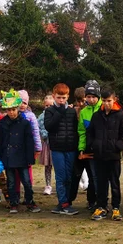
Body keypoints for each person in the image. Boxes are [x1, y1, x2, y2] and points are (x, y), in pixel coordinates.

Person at [86, 89, 123, 221]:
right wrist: (93, 145)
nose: (107, 103)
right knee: (101, 183)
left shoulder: (120, 116)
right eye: (104, 101)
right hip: (99, 155)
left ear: (114, 99)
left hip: (114, 156)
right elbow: (90, 133)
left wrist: (117, 147)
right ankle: (101, 206)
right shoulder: (96, 116)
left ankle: (116, 207)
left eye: (109, 101)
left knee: (114, 183)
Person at [0, 90, 39, 214]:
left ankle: (29, 201)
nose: (12, 112)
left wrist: (30, 157)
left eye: (14, 109)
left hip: (22, 157)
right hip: (8, 157)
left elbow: (29, 141)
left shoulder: (25, 123)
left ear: (18, 109)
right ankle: (13, 203)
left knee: (27, 182)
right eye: (9, 110)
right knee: (11, 182)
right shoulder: (2, 124)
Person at [43, 84, 79, 215]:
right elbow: (49, 126)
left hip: (70, 148)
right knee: (60, 176)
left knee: (69, 176)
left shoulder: (72, 111)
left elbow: (75, 130)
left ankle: (65, 202)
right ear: (54, 97)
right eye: (58, 98)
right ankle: (63, 202)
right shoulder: (50, 111)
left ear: (67, 96)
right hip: (57, 148)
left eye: (63, 97)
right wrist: (59, 113)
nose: (61, 100)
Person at [74, 80, 102, 210]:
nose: (91, 99)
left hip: (103, 150)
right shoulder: (84, 112)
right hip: (89, 150)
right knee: (92, 176)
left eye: (93, 97)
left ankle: (102, 201)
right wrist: (81, 148)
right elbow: (82, 132)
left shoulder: (103, 108)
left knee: (102, 177)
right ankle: (92, 201)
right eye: (88, 96)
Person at [37, 94, 54, 196]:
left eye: (50, 105)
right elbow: (38, 128)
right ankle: (48, 185)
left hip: (56, 144)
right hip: (46, 144)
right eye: (46, 105)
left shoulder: (56, 115)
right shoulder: (41, 117)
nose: (48, 108)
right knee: (47, 166)